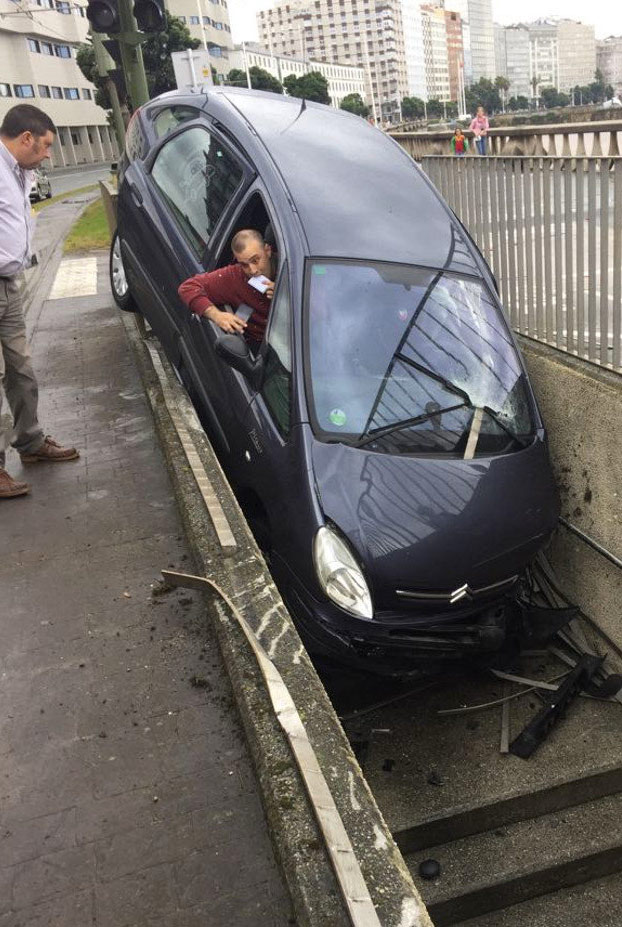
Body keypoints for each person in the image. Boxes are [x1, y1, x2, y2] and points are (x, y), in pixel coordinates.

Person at [0, 104, 79, 499]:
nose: (48, 154)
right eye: (45, 145)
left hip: (9, 284)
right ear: (26, 138)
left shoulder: (20, 171)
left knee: (21, 369)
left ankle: (30, 444)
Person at [178, 228, 277, 350]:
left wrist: (284, 294)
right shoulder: (235, 276)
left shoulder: (292, 271)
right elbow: (188, 288)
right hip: (260, 349)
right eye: (244, 264)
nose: (252, 270)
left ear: (268, 250)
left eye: (256, 260)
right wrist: (217, 316)